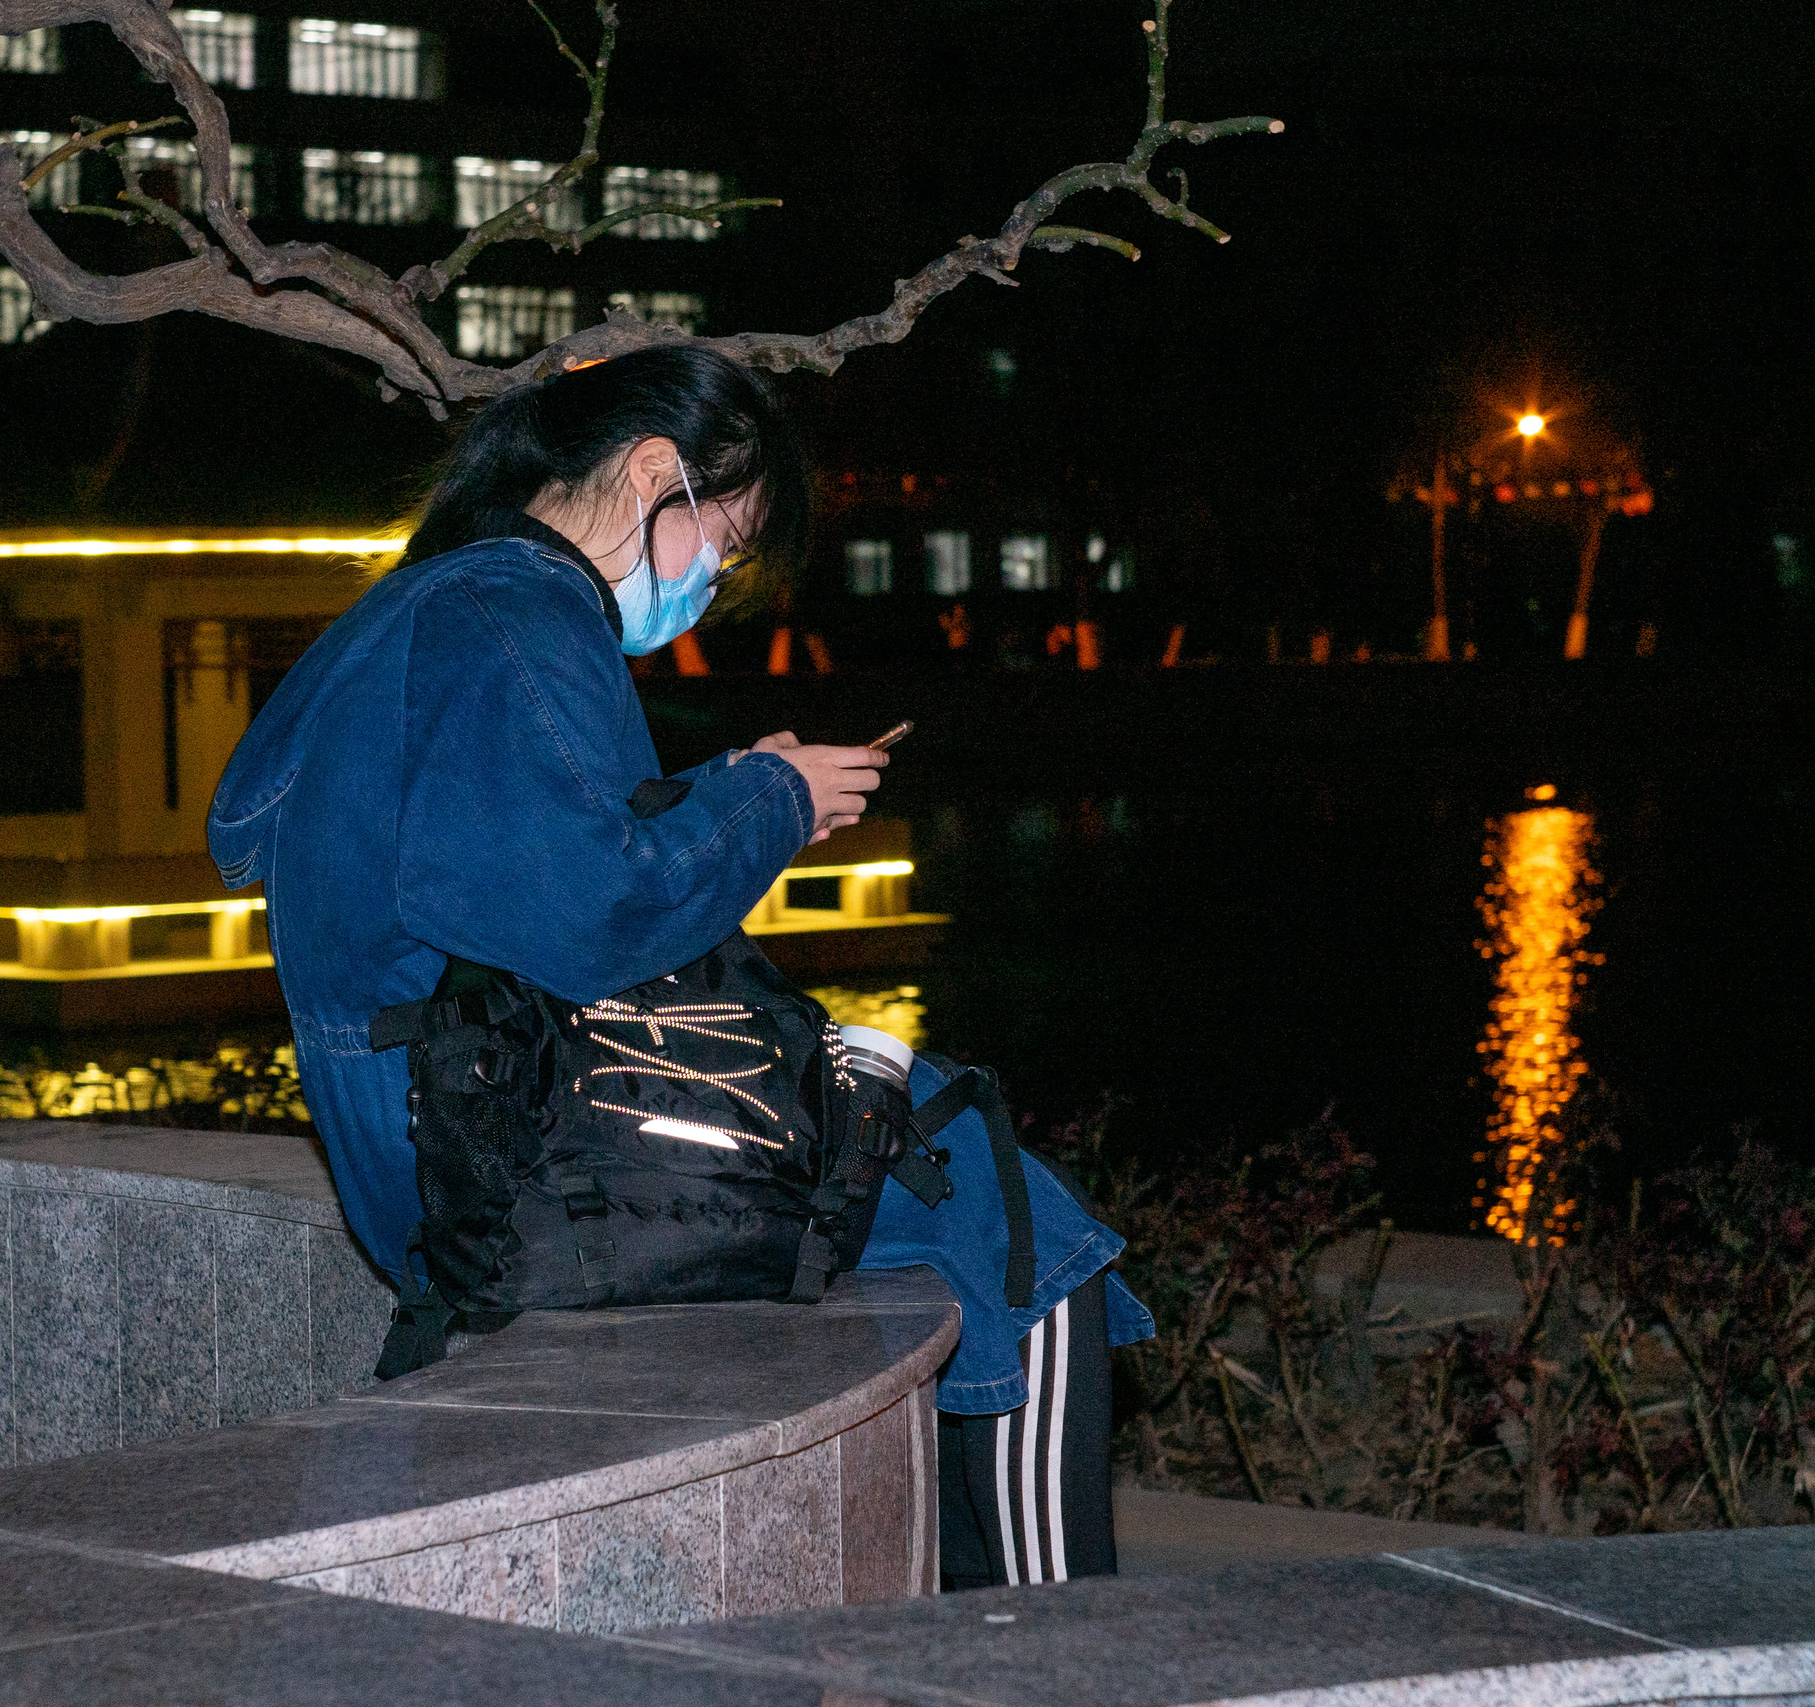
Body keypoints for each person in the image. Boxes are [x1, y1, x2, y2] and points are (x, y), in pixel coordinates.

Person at [205, 344, 1147, 1588]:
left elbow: (501, 870)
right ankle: (1055, 1645)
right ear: (655, 472)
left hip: (442, 1144)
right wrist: (766, 796)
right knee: (1021, 1227)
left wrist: (729, 792)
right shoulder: (515, 612)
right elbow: (591, 913)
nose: (717, 577)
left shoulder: (423, 609)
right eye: (727, 536)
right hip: (516, 1163)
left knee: (939, 1156)